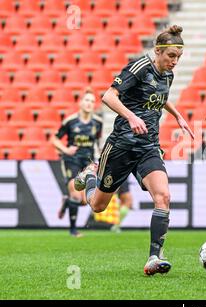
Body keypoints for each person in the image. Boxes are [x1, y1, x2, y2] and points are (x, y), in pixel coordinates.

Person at [73, 25, 194, 275]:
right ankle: (91, 176)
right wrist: (130, 117)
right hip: (121, 146)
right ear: (158, 51)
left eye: (178, 57)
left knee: (164, 196)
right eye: (171, 55)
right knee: (97, 206)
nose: (175, 61)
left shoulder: (167, 76)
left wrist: (178, 116)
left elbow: (161, 96)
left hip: (148, 146)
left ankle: (154, 257)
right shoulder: (139, 68)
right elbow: (108, 96)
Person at [52, 87, 103, 237]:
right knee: (76, 196)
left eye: (92, 101)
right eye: (87, 100)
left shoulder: (97, 122)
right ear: (80, 102)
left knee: (83, 200)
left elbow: (98, 141)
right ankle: (73, 230)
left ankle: (67, 202)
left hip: (87, 163)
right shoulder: (70, 121)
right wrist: (65, 150)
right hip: (71, 161)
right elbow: (54, 139)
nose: (89, 103)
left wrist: (100, 156)